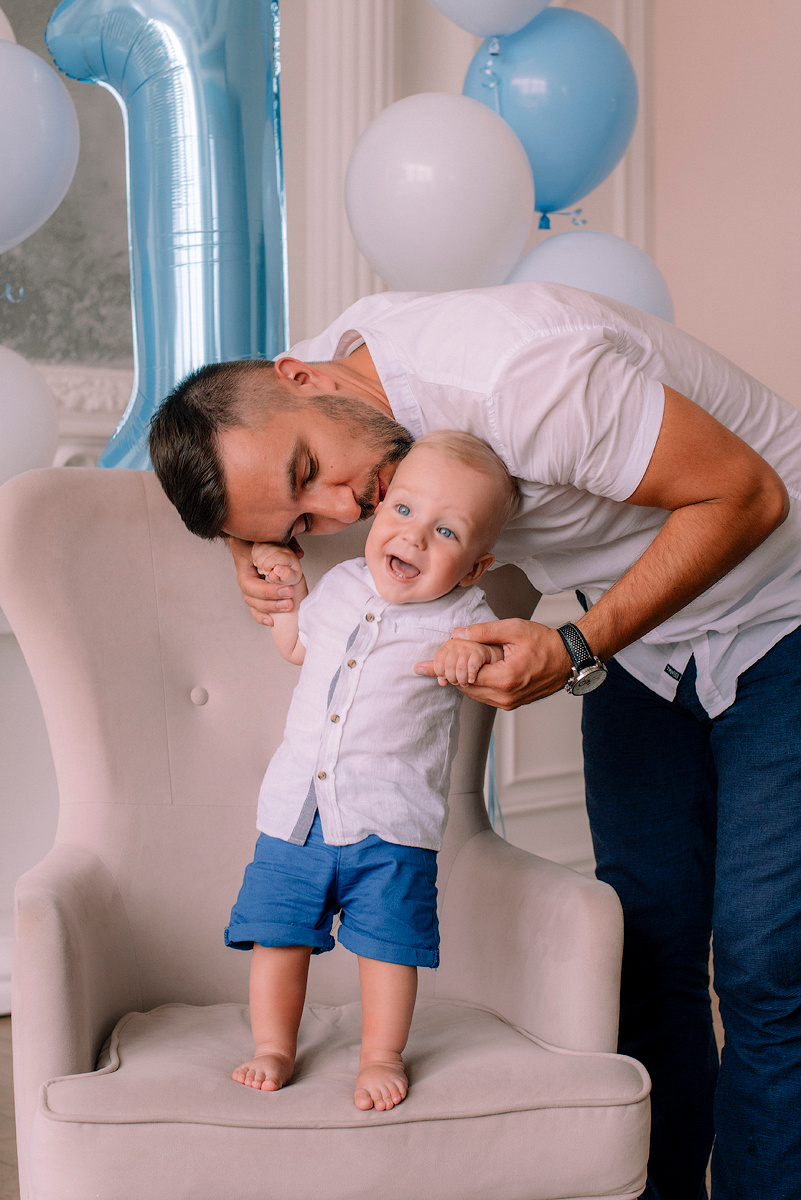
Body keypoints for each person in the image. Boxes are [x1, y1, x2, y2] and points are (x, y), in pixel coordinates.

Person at [149, 281, 801, 1200]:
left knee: (764, 961)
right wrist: (256, 542)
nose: (344, 508)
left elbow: (749, 494)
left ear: (304, 377)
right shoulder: (309, 386)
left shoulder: (520, 376)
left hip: (780, 605)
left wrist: (574, 644)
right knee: (648, 950)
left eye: (309, 476)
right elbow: (237, 435)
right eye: (307, 518)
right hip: (651, 641)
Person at [222, 431, 518, 1112]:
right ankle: (273, 1044)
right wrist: (285, 599)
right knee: (278, 934)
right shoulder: (340, 585)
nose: (413, 538)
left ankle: (381, 1054)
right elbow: (298, 648)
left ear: (473, 567)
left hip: (390, 821)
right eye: (405, 512)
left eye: (444, 531)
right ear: (379, 510)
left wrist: (471, 661)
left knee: (388, 946)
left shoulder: (467, 618)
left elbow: (503, 665)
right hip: (296, 809)